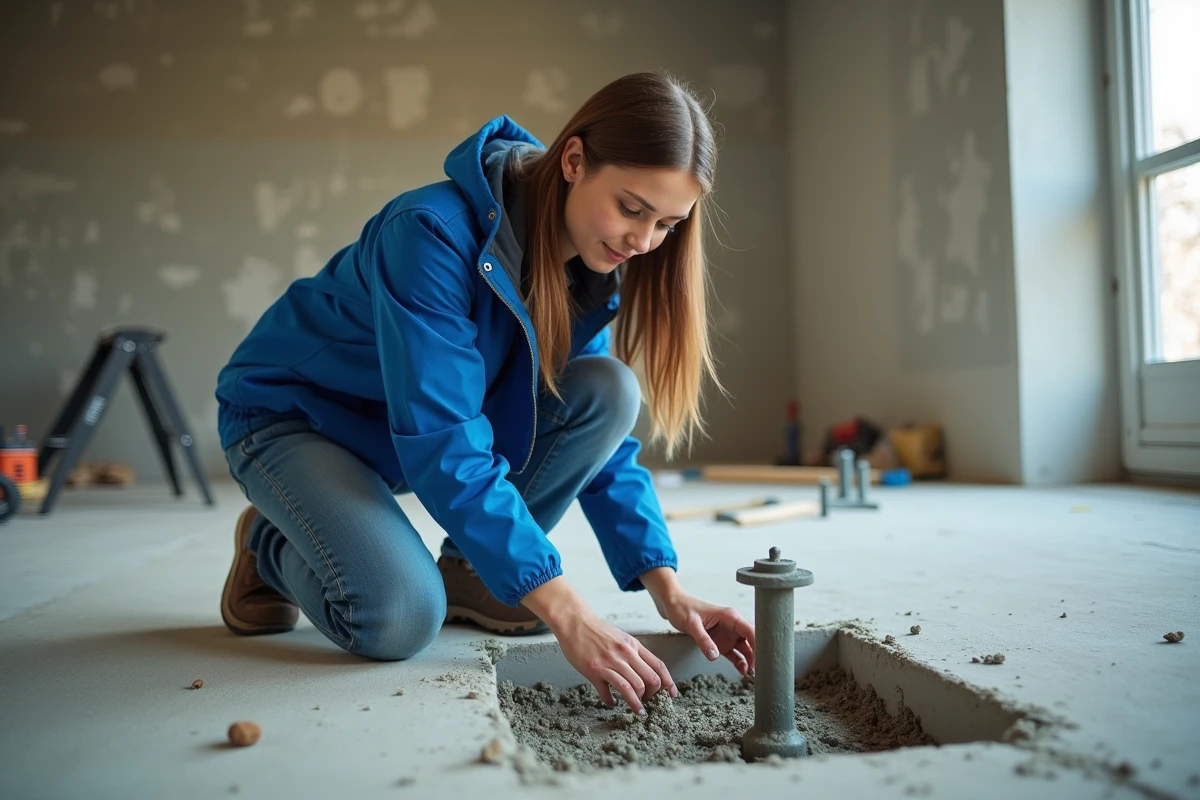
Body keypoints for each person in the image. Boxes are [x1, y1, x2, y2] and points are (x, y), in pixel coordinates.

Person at [215, 71, 755, 715]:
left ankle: (472, 575)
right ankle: (272, 540)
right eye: (632, 208)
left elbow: (606, 446)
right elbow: (446, 442)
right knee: (396, 619)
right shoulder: (429, 233)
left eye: (668, 223)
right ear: (575, 160)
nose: (642, 243)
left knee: (609, 387)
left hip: (400, 438)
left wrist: (669, 589)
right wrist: (568, 611)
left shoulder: (587, 265)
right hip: (295, 419)